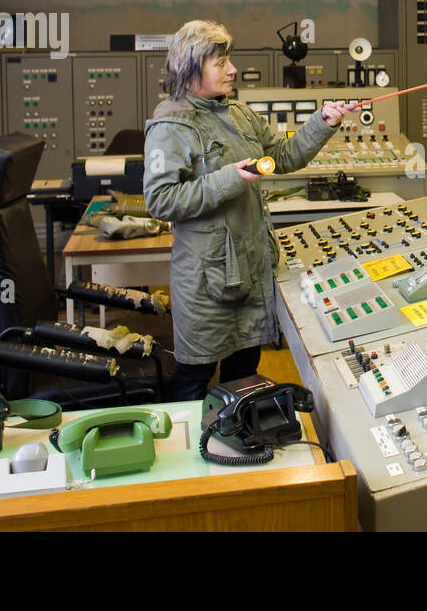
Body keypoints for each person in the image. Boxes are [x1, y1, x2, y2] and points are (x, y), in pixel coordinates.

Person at [144, 20, 354, 401]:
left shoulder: (238, 114)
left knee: (244, 380)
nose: (232, 70)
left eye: (230, 60)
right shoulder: (169, 125)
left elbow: (283, 157)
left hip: (250, 272)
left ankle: (236, 446)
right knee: (194, 381)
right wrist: (228, 180)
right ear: (191, 69)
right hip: (207, 284)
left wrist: (323, 122)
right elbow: (161, 200)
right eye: (220, 62)